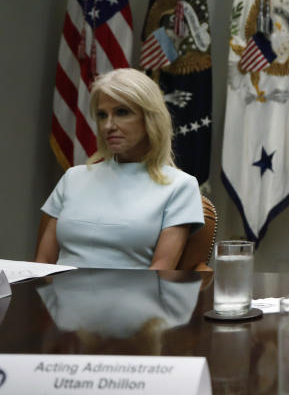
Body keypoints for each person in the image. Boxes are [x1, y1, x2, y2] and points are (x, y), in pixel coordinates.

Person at [35, 68, 204, 269]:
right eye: (102, 115)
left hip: (135, 298)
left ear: (150, 117)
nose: (108, 125)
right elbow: (42, 264)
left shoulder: (180, 186)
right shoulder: (73, 178)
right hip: (59, 298)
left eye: (122, 112)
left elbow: (159, 275)